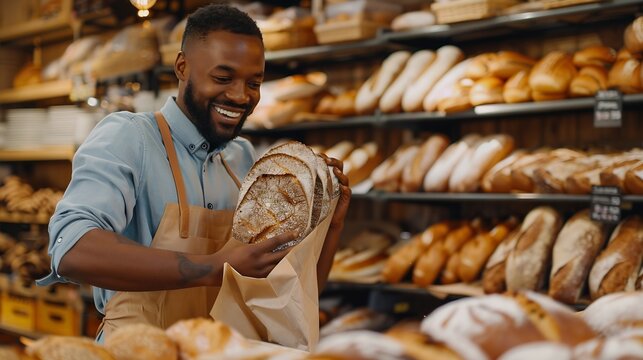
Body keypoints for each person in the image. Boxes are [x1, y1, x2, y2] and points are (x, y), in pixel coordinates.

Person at [37, 4, 351, 342]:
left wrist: (331, 225)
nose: (240, 95)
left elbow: (289, 295)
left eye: (254, 82)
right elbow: (71, 249)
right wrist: (215, 266)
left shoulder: (244, 158)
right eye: (222, 78)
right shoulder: (130, 137)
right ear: (182, 67)